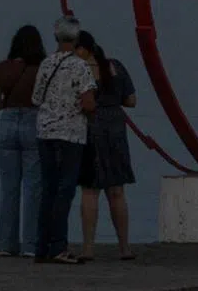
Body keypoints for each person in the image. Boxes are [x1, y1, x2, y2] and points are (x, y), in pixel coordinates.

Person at [31, 15, 97, 264]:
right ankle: (58, 245)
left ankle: (41, 246)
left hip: (45, 132)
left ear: (56, 37)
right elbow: (88, 102)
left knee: (48, 189)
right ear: (77, 38)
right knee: (65, 190)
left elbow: (36, 99)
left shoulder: (46, 64)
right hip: (70, 134)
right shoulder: (81, 66)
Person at [74, 30, 138, 261]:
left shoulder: (79, 70)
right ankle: (124, 248)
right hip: (116, 128)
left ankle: (88, 248)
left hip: (90, 127)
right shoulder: (115, 66)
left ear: (83, 49)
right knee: (117, 191)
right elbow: (131, 100)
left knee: (90, 191)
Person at [0, 24, 47, 257]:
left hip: (8, 123)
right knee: (33, 188)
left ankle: (6, 244)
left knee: (9, 189)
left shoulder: (2, 68)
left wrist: (9, 105)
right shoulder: (42, 68)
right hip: (33, 123)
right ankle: (30, 246)